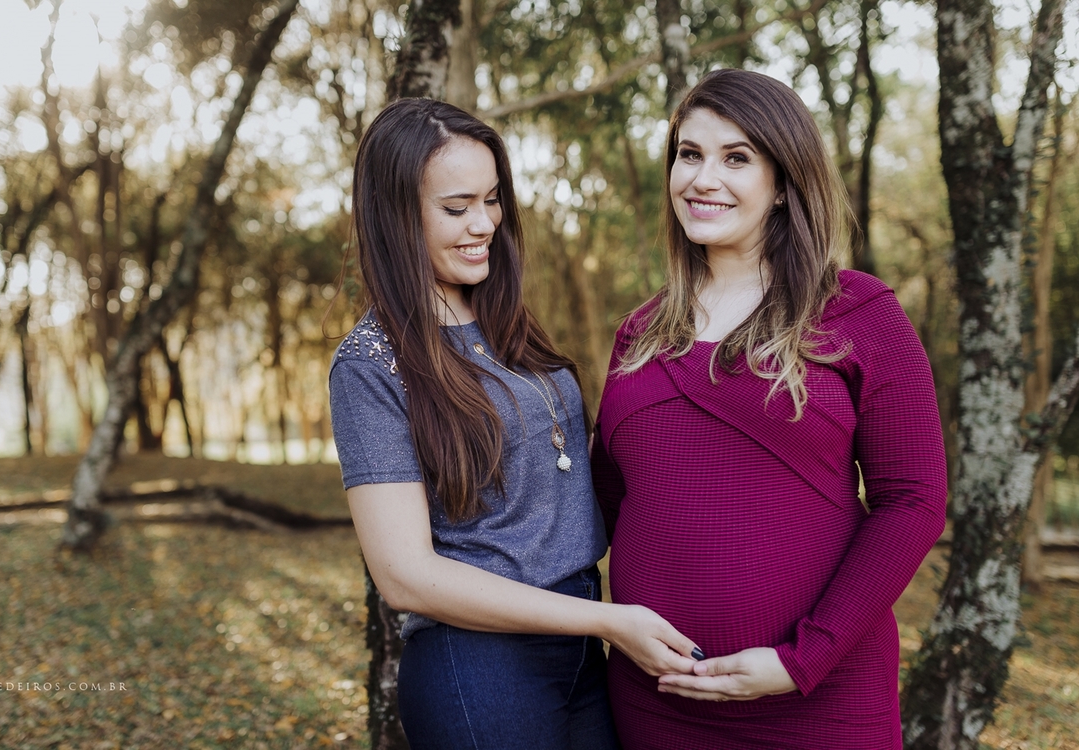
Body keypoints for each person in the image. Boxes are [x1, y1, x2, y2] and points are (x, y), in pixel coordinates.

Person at [591, 69, 948, 748]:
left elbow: (914, 500)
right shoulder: (638, 335)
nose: (702, 178)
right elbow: (610, 502)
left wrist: (800, 661)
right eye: (689, 154)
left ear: (783, 183)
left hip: (819, 701)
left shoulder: (856, 311)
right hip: (656, 701)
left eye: (736, 158)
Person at [328, 97, 699, 750]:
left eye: (493, 200)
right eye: (456, 207)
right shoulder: (369, 364)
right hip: (478, 667)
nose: (485, 224)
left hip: (583, 649)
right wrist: (609, 620)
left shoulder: (504, 321)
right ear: (396, 216)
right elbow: (404, 575)